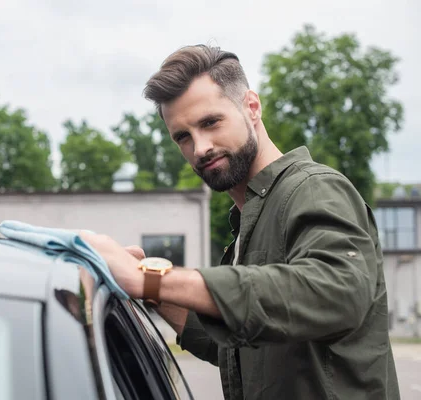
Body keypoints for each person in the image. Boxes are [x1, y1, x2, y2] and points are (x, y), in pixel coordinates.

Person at [80, 45, 400, 400]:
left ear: (251, 107)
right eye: (182, 137)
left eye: (210, 122)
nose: (199, 148)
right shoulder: (253, 216)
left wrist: (152, 281)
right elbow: (244, 353)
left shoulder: (314, 189)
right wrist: (146, 287)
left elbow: (339, 293)